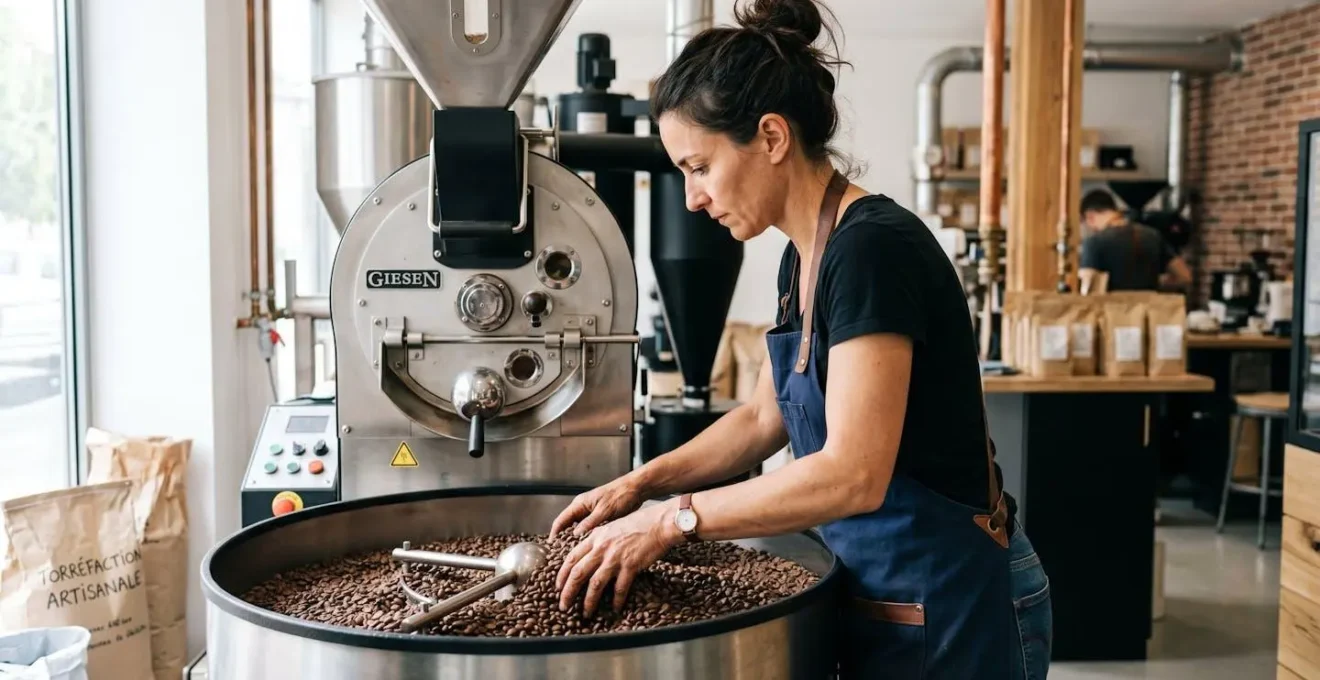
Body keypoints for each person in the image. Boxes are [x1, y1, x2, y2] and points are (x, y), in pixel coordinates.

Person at [548, 1, 1051, 677]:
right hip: (883, 592)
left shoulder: (872, 250)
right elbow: (763, 419)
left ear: (772, 138)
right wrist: (640, 485)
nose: (693, 198)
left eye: (698, 166)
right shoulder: (802, 256)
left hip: (955, 599)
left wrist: (674, 520)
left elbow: (852, 474)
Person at [1079, 188, 1191, 291]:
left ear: (1090, 217)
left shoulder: (1094, 243)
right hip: (1148, 310)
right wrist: (1153, 284)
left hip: (1112, 310)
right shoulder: (1153, 236)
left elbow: (1088, 286)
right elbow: (1185, 277)